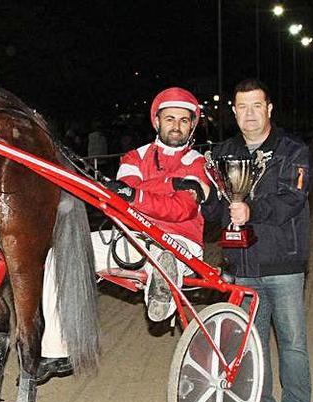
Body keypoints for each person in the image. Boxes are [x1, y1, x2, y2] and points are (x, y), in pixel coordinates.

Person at [38, 87, 210, 383]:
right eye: (170, 119)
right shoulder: (134, 156)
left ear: (192, 125)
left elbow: (181, 210)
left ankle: (163, 285)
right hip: (132, 242)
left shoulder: (198, 163)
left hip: (180, 244)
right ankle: (56, 349)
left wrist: (138, 196)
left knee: (166, 253)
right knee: (60, 254)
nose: (176, 127)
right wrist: (151, 196)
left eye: (184, 120)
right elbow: (121, 205)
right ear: (156, 122)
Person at [202, 78, 313, 402]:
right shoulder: (221, 153)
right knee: (251, 341)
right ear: (233, 112)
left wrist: (250, 210)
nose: (249, 114)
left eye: (256, 106)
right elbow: (215, 209)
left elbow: (292, 199)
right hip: (242, 264)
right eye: (242, 107)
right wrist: (198, 196)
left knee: (292, 341)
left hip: (284, 263)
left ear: (269, 109)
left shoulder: (293, 150)